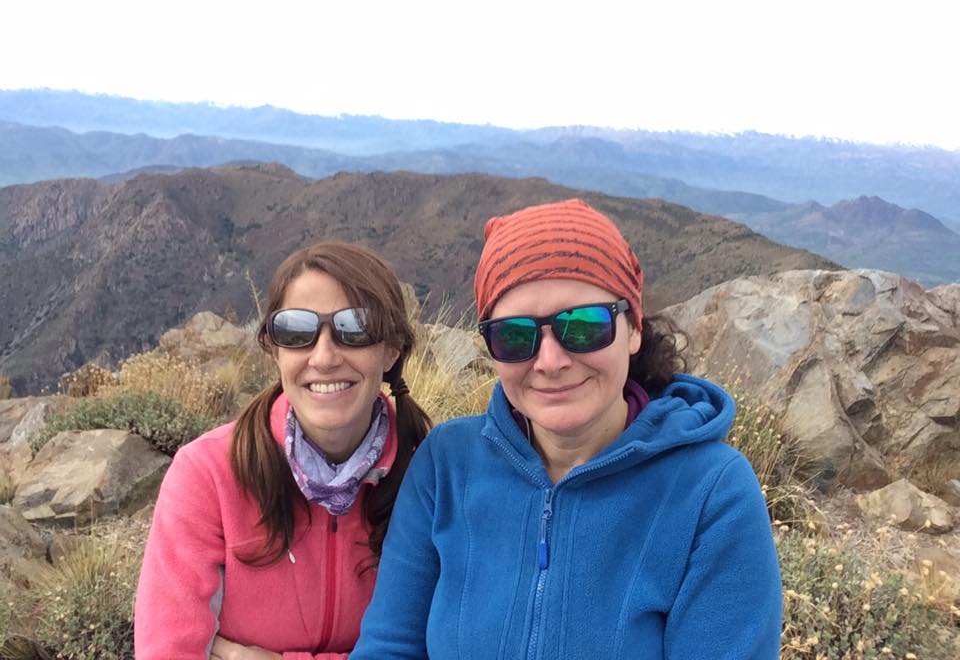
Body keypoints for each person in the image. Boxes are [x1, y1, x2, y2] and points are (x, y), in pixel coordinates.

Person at [351, 199, 782, 659]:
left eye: (583, 326)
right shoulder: (447, 464)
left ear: (633, 329)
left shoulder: (712, 493)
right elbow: (389, 647)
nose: (551, 361)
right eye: (515, 335)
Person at [134, 242, 431, 660]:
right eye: (296, 331)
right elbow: (168, 650)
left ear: (391, 349)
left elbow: (436, 646)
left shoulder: (429, 478)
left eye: (355, 328)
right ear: (274, 348)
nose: (324, 357)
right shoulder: (207, 475)